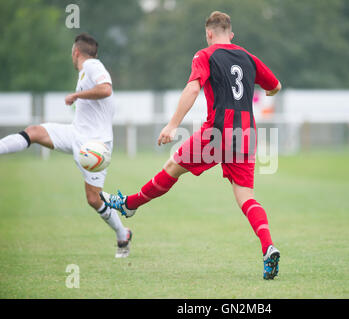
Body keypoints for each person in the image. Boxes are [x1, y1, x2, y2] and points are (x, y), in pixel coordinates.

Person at [101, 11, 282, 279]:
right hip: (246, 134)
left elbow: (193, 89)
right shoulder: (248, 58)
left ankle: (130, 204)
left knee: (173, 165)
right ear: (230, 34)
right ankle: (269, 247)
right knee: (246, 197)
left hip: (218, 131)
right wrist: (265, 91)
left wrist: (173, 125)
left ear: (209, 33)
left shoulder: (204, 55)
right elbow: (276, 86)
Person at [0, 33, 132, 258]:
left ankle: (123, 234)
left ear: (76, 52)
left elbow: (106, 88)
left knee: (93, 199)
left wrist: (76, 95)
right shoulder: (85, 72)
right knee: (34, 132)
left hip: (95, 146)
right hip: (75, 133)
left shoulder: (92, 65)